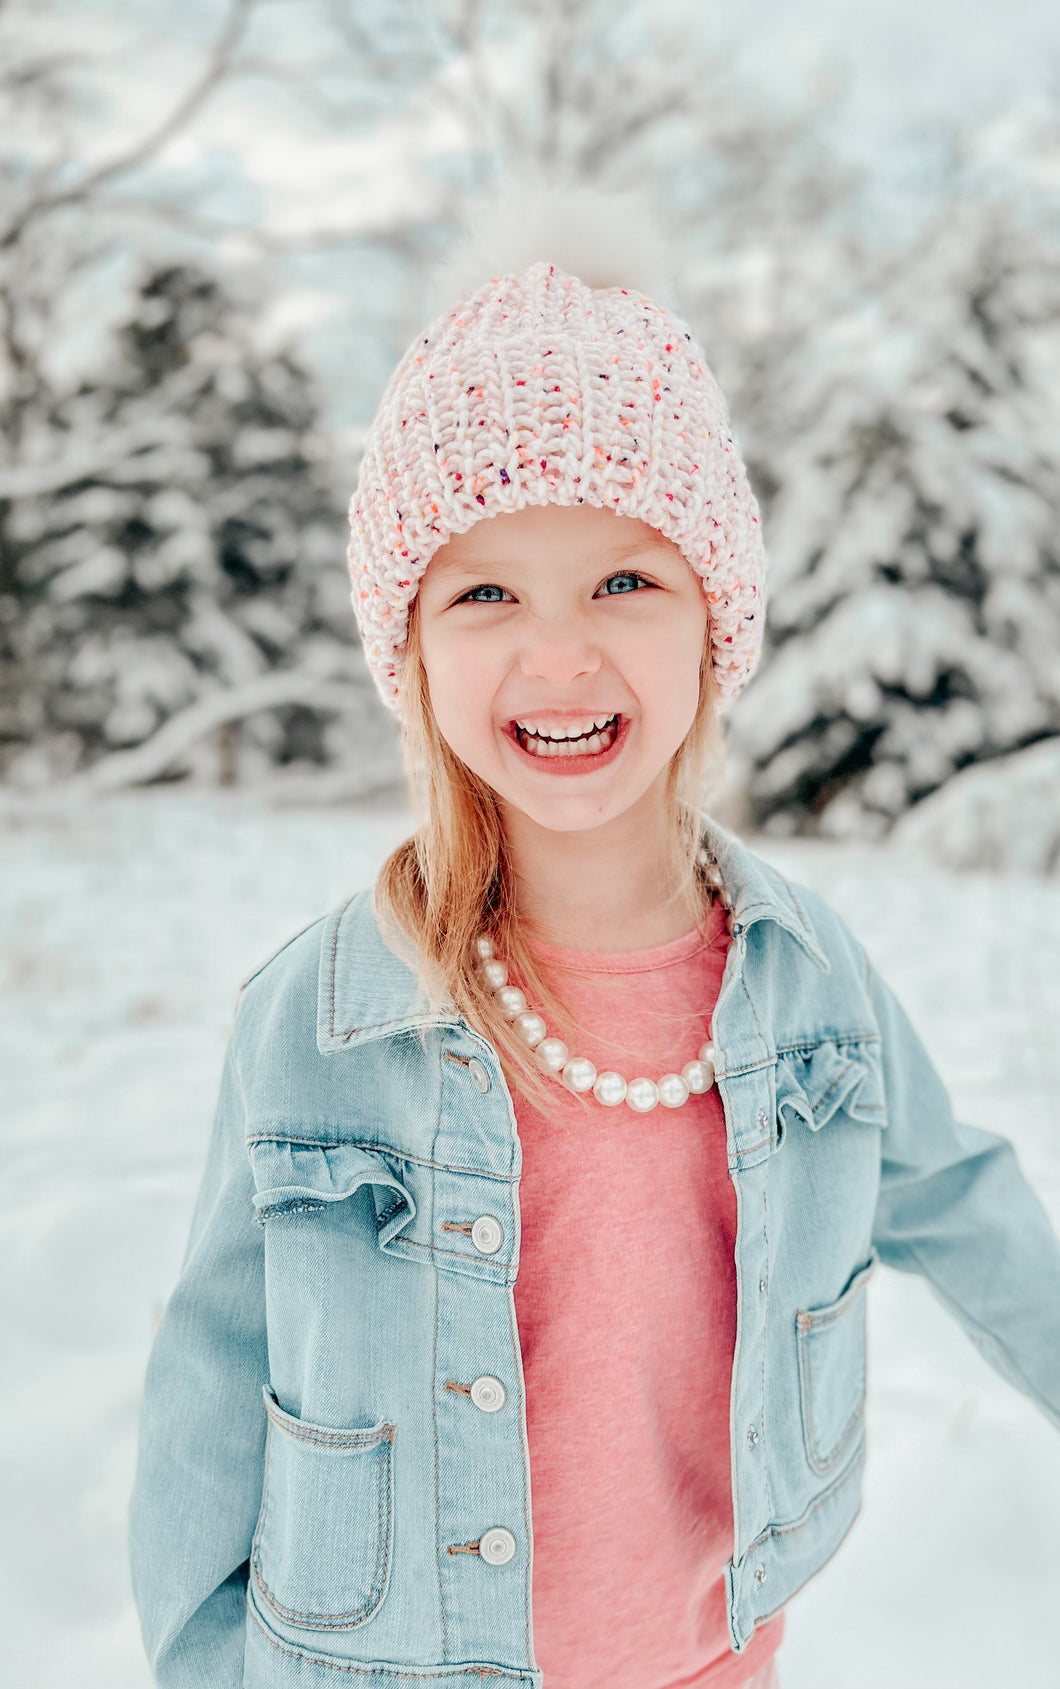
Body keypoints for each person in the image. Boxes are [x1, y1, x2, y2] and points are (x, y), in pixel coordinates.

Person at [129, 259, 1060, 1689]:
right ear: (414, 652)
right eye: (485, 591)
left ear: (713, 622)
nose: (558, 653)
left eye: (625, 577)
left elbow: (958, 1194)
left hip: (710, 1658)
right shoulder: (321, 1016)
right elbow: (208, 1378)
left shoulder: (809, 979)